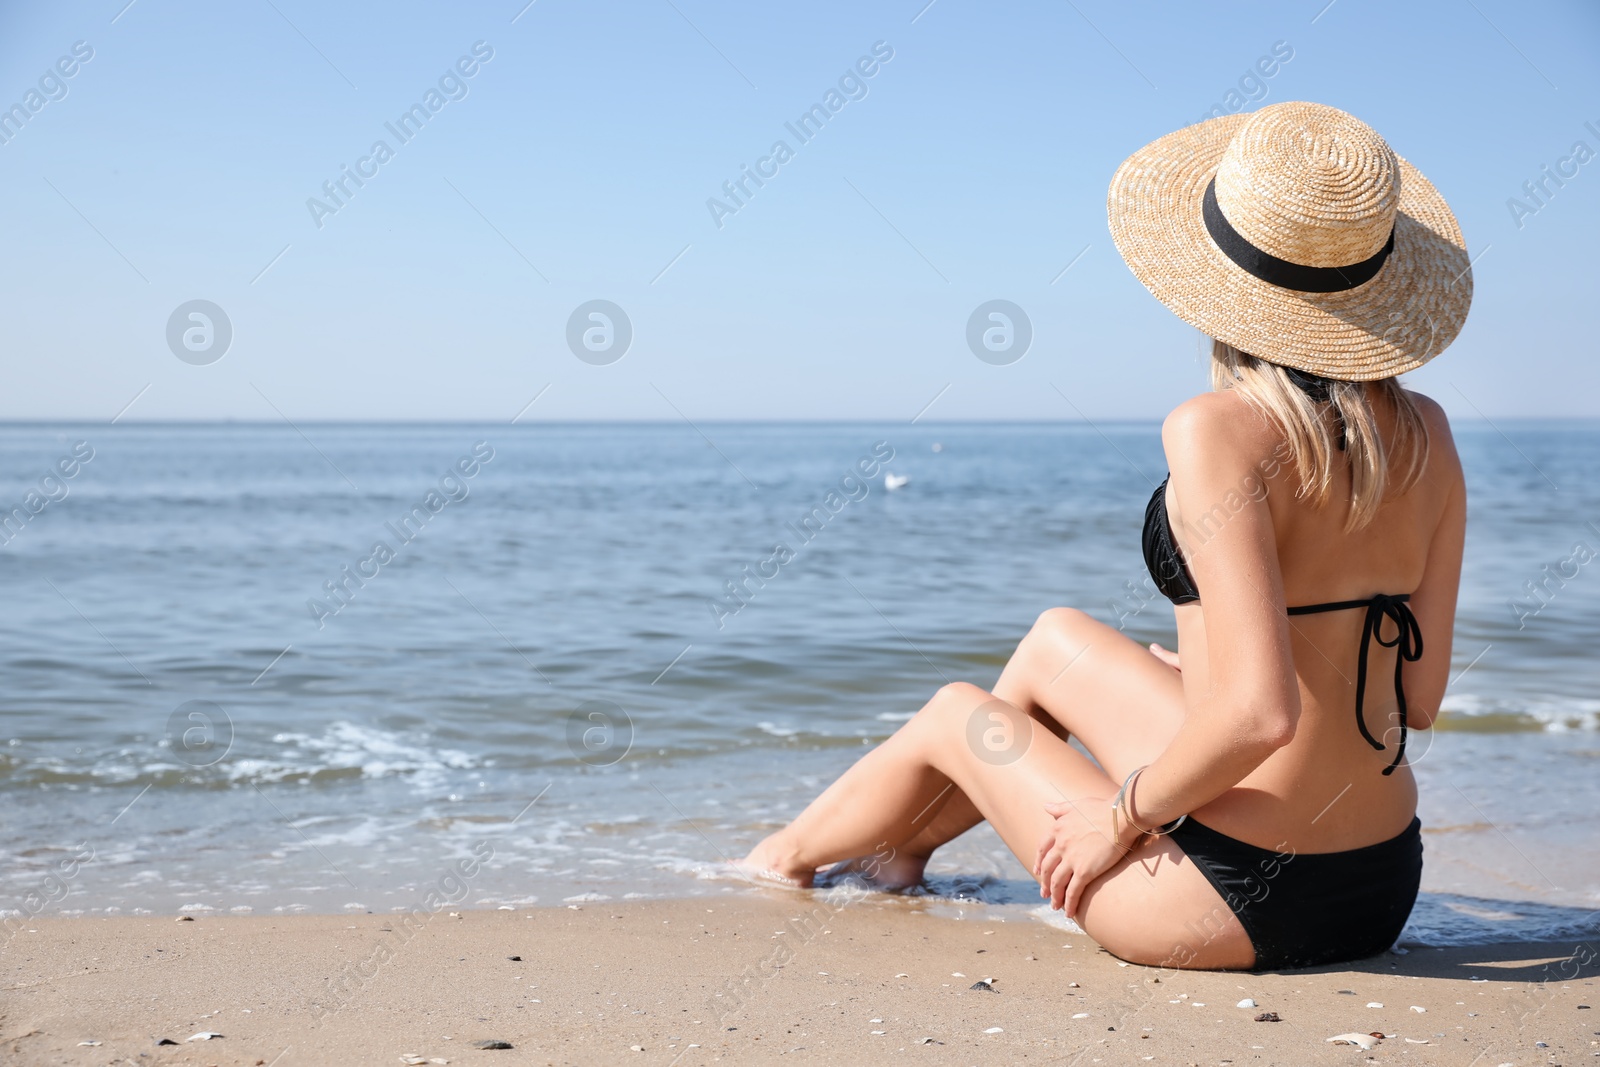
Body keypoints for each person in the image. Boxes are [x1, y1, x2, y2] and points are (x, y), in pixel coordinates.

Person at [739, 101, 1472, 971]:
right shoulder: (1427, 431)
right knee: (1058, 641)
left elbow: (1259, 713)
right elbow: (1415, 697)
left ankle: (778, 862)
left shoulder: (1218, 428)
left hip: (1232, 898)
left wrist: (1117, 816)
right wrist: (1193, 674)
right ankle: (896, 853)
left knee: (955, 718)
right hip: (1381, 882)